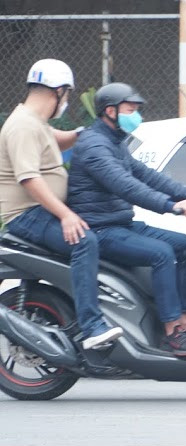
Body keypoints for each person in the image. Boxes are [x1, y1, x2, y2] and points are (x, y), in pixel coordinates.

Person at [67, 82, 186, 357]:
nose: (136, 115)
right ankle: (171, 334)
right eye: (131, 109)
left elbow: (145, 175)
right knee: (162, 253)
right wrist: (173, 206)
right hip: (100, 228)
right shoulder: (94, 145)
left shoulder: (114, 141)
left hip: (121, 223)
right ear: (110, 110)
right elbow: (126, 186)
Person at [0, 59, 124, 350]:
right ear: (56, 91)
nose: (67, 100)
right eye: (67, 94)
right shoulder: (23, 127)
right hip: (26, 215)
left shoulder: (35, 123)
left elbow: (64, 139)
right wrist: (66, 215)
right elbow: (28, 178)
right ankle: (92, 326)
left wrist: (94, 132)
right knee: (84, 241)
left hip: (40, 212)